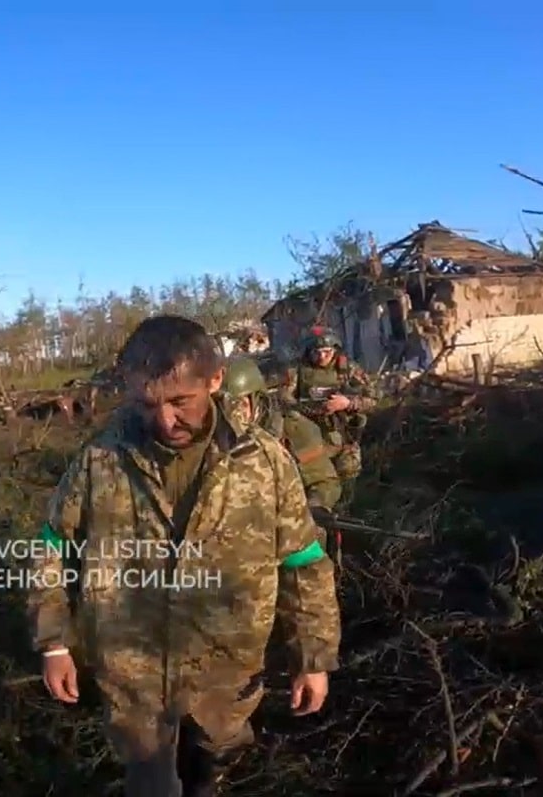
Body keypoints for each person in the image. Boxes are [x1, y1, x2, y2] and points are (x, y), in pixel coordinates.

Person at [28, 315, 341, 797]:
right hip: (131, 678)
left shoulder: (263, 461)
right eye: (147, 403)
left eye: (180, 402)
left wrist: (313, 657)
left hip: (227, 676)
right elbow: (52, 550)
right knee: (151, 783)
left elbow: (303, 559)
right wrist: (54, 644)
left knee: (216, 771)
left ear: (215, 380)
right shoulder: (100, 459)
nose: (164, 421)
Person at [222, 354, 342, 515]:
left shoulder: (292, 429)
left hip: (288, 523)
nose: (231, 414)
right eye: (220, 405)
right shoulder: (208, 436)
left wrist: (315, 507)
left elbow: (324, 482)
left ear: (256, 400)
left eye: (239, 405)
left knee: (315, 537)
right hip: (230, 525)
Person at [279, 326, 378, 487]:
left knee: (348, 475)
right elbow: (284, 397)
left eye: (326, 352)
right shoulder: (298, 369)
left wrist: (347, 403)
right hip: (309, 433)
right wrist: (305, 410)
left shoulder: (347, 368)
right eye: (316, 352)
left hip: (342, 432)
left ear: (335, 350)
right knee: (310, 479)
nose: (321, 357)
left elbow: (373, 398)